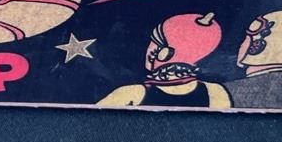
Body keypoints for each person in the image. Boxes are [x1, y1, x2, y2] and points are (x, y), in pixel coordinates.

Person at [97, 11, 231, 108]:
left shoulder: (132, 94)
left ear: (164, 53)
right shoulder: (215, 92)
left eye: (154, 42)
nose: (148, 48)